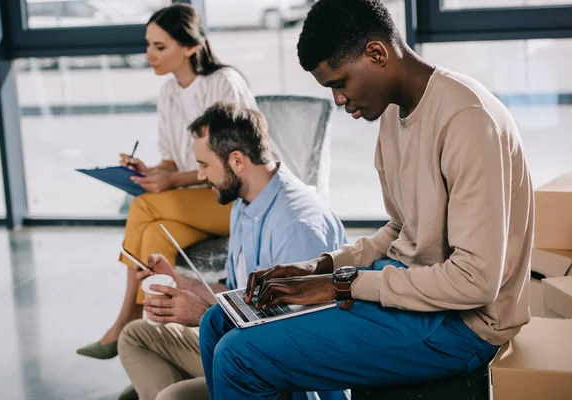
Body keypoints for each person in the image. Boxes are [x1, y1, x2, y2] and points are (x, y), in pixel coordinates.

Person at [199, 1, 534, 399]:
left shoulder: (467, 121)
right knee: (218, 322)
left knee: (240, 356)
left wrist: (342, 285)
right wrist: (321, 266)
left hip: (462, 326)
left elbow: (475, 282)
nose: (339, 100)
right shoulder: (395, 114)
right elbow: (401, 228)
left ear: (377, 54)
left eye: (340, 83)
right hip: (411, 291)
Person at [117, 102, 348, 400]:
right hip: (241, 346)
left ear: (237, 161)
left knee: (170, 397)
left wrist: (204, 315)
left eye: (204, 165)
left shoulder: (297, 226)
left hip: (284, 376)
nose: (200, 176)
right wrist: (180, 281)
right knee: (136, 336)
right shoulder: (242, 203)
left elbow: (295, 343)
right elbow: (237, 293)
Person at [77, 4, 258, 359]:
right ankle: (158, 349)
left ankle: (126, 319)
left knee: (142, 205)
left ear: (190, 46)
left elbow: (237, 164)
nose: (149, 54)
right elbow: (173, 162)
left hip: (236, 201)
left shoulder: (224, 83)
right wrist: (150, 171)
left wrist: (172, 178)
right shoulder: (169, 93)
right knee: (153, 235)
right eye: (149, 45)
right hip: (196, 203)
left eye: (160, 47)